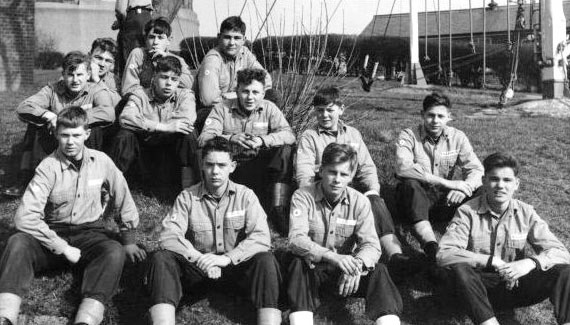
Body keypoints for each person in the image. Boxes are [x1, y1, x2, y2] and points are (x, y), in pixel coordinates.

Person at [0, 107, 146, 325]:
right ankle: (5, 314)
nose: (70, 141)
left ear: (86, 134)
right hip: (52, 235)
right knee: (17, 242)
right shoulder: (47, 168)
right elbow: (24, 218)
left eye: (76, 135)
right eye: (65, 135)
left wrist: (129, 241)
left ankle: (87, 318)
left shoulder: (102, 161)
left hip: (90, 233)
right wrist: (62, 247)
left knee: (114, 252)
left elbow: (123, 198)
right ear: (57, 134)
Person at [146, 137, 283, 325]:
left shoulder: (246, 196)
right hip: (199, 270)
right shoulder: (187, 197)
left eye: (221, 165)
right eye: (210, 165)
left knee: (266, 259)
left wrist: (227, 258)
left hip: (234, 269)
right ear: (202, 165)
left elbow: (261, 237)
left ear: (232, 166)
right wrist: (199, 258)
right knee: (161, 258)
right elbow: (169, 236)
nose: (215, 171)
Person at [437, 152, 570, 325]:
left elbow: (561, 252)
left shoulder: (526, 212)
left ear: (516, 184)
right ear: (484, 181)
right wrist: (490, 260)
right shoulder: (467, 212)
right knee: (460, 269)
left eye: (507, 180)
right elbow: (444, 254)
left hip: (513, 285)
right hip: (477, 289)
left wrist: (529, 263)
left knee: (565, 271)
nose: (500, 186)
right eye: (494, 179)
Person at [296, 87, 413, 273]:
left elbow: (366, 167)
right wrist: (312, 195)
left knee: (374, 201)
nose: (324, 115)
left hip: (352, 189)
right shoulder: (310, 137)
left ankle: (395, 254)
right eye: (319, 110)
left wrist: (373, 189)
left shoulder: (353, 134)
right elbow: (304, 173)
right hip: (326, 189)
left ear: (341, 109)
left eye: (329, 109)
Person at [287, 143, 403, 325]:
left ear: (351, 177)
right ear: (321, 170)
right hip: (312, 270)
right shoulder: (302, 196)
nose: (337, 180)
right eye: (332, 172)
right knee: (296, 263)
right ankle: (302, 319)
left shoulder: (361, 202)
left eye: (344, 174)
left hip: (345, 273)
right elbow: (296, 239)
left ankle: (388, 321)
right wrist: (333, 257)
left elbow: (371, 245)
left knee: (379, 270)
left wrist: (358, 265)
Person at [2, 52, 115, 197]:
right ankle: (26, 179)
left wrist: (65, 118)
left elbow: (108, 113)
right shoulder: (52, 89)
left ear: (88, 75)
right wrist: (48, 115)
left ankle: (90, 181)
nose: (75, 80)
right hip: (56, 142)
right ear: (63, 74)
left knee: (94, 128)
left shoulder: (96, 89)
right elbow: (24, 107)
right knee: (35, 122)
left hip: (83, 145)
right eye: (70, 74)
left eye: (80, 75)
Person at [198, 68, 295, 230]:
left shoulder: (269, 108)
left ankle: (278, 208)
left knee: (286, 149)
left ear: (263, 93)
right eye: (245, 92)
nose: (250, 97)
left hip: (260, 166)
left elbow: (289, 135)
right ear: (237, 91)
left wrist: (263, 140)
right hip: (233, 168)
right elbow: (203, 138)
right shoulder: (222, 108)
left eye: (255, 92)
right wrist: (230, 138)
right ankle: (211, 201)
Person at [395, 91, 484, 263]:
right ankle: (431, 247)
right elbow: (402, 168)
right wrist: (450, 183)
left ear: (448, 117)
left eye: (440, 116)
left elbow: (477, 170)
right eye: (430, 115)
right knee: (410, 184)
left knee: (482, 189)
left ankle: (465, 236)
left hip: (444, 200)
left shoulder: (458, 137)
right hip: (416, 199)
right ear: (422, 115)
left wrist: (465, 189)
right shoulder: (408, 135)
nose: (435, 121)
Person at [110, 55, 199, 191]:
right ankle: (113, 188)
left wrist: (145, 123)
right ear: (154, 78)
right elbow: (126, 118)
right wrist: (164, 127)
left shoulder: (185, 95)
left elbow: (186, 120)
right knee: (125, 135)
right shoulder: (140, 94)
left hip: (170, 154)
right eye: (164, 77)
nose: (169, 83)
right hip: (145, 153)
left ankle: (189, 190)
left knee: (189, 133)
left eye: (174, 79)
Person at [194, 16, 276, 131]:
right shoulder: (212, 59)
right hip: (212, 111)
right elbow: (208, 100)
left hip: (238, 105)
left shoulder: (245, 53)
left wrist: (240, 95)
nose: (232, 43)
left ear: (244, 39)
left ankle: (262, 134)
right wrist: (242, 95)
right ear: (219, 37)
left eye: (237, 38)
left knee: (272, 95)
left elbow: (266, 79)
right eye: (227, 37)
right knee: (210, 113)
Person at [122, 17, 193, 95]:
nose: (155, 42)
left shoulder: (177, 60)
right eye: (151, 37)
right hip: (144, 101)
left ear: (168, 40)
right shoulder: (138, 54)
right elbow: (128, 88)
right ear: (146, 39)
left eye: (160, 38)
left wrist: (167, 60)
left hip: (168, 103)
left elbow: (189, 86)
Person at [113, 0, 153, 77]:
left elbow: (121, 10)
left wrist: (120, 21)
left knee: (129, 54)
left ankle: (128, 83)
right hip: (147, 16)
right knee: (144, 53)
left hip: (134, 16)